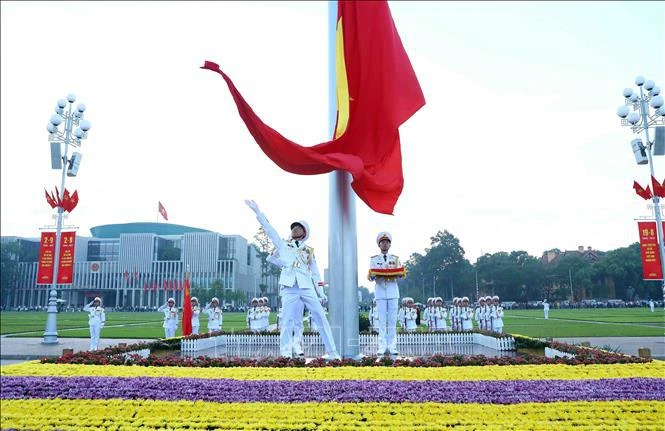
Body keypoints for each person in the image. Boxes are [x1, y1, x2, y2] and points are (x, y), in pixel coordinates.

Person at [245, 199, 340, 360]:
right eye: (294, 227)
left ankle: (333, 353)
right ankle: (286, 354)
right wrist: (258, 213)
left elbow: (315, 273)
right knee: (287, 320)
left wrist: (321, 292)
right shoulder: (283, 245)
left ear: (304, 233)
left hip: (306, 287)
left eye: (299, 227)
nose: (295, 229)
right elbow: (270, 230)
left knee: (320, 317)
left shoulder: (308, 250)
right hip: (289, 287)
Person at [368, 231, 407, 356]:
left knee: (392, 321)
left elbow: (401, 273)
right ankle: (382, 345)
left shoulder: (395, 259)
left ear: (390, 245)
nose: (385, 244)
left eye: (387, 242)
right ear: (379, 245)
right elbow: (371, 276)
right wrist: (374, 275)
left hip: (393, 291)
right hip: (380, 291)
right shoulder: (374, 259)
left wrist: (400, 273)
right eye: (382, 242)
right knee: (381, 320)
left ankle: (392, 345)